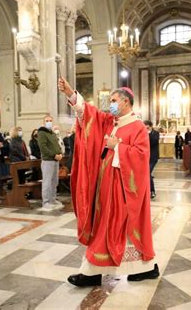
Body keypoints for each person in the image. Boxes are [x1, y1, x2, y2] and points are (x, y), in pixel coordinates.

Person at [58, 77, 158, 287]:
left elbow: (142, 156)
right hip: (105, 186)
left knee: (112, 228)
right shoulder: (110, 122)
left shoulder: (137, 126)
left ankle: (92, 272)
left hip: (122, 191)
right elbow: (88, 114)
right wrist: (70, 94)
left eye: (114, 100)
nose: (110, 104)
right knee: (105, 226)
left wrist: (118, 148)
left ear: (125, 102)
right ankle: (146, 268)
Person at [37, 115, 64, 211]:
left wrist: (60, 153)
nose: (49, 122)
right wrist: (54, 155)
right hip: (48, 160)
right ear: (43, 122)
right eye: (47, 121)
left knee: (54, 181)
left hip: (55, 160)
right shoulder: (41, 132)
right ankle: (46, 202)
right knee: (47, 182)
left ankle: (52, 199)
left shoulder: (52, 132)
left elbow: (57, 145)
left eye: (50, 120)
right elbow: (43, 147)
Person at [144, 120, 159, 199]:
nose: (146, 128)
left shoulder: (156, 133)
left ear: (150, 126)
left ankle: (152, 191)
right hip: (145, 157)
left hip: (153, 157)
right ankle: (148, 191)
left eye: (147, 126)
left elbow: (153, 142)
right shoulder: (143, 133)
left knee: (147, 172)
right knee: (147, 174)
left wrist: (148, 134)